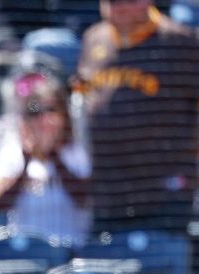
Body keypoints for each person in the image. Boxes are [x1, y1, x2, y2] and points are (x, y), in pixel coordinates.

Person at [75, 0, 199, 235]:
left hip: (163, 194)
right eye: (112, 2)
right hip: (109, 192)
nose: (118, 8)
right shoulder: (94, 38)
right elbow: (82, 96)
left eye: (126, 1)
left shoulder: (179, 41)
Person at [0, 76, 90, 245]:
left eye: (50, 110)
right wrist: (27, 160)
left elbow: (83, 199)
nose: (43, 119)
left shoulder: (75, 153)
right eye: (35, 111)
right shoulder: (11, 153)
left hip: (70, 253)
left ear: (63, 115)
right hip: (25, 255)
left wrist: (54, 156)